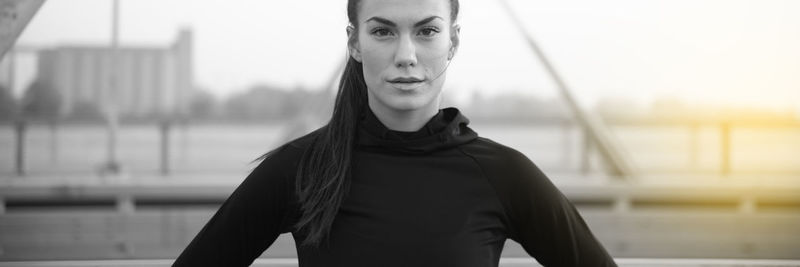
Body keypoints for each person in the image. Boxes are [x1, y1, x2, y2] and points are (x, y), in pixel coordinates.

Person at [174, 0, 616, 266]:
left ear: (454, 42)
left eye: (427, 31)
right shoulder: (300, 169)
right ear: (354, 43)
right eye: (383, 31)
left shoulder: (505, 175)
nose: (406, 55)